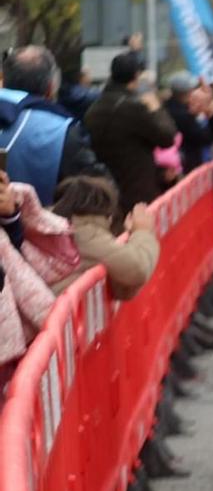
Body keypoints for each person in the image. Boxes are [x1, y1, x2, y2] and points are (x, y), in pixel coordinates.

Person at [0, 44, 108, 207]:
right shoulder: (61, 131)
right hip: (37, 228)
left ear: (3, 79)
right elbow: (99, 194)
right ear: (50, 88)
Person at [84, 52, 179, 209]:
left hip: (105, 193)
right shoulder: (134, 109)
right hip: (137, 195)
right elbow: (167, 137)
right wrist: (156, 109)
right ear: (136, 76)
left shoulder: (93, 109)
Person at [48, 176, 158, 300]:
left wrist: (130, 236)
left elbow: (123, 286)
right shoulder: (87, 233)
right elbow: (138, 269)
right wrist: (143, 231)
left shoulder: (52, 225)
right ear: (107, 214)